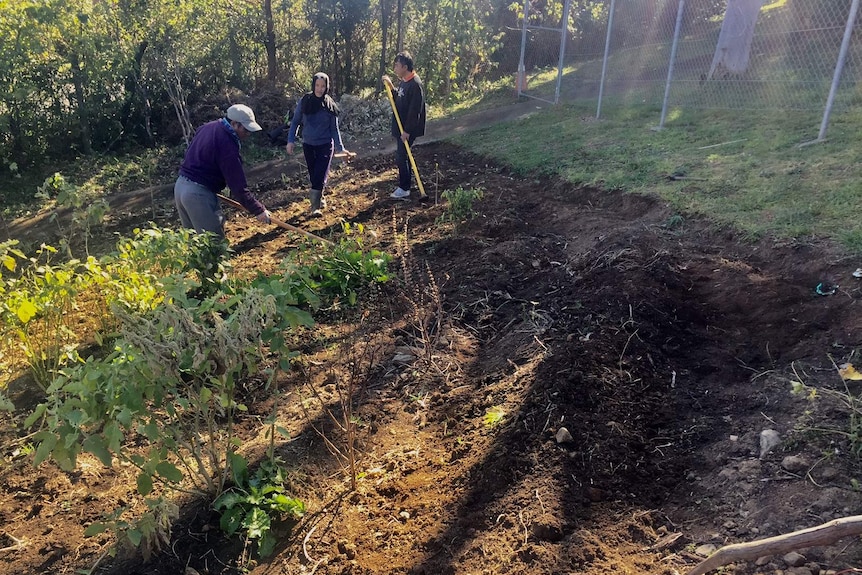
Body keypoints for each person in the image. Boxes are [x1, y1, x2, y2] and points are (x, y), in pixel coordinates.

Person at [174, 103, 272, 237]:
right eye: (246, 130)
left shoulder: (208, 127)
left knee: (195, 243)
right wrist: (258, 210)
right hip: (197, 195)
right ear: (234, 124)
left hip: (180, 187)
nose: (248, 134)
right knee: (214, 244)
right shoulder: (226, 144)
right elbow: (237, 186)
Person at [286, 72, 349, 216]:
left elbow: (334, 129)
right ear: (313, 85)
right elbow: (295, 122)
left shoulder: (329, 105)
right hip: (308, 145)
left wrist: (341, 148)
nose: (320, 89)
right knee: (315, 175)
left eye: (323, 86)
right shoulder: (305, 101)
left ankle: (315, 208)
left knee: (319, 175)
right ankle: (320, 197)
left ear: (327, 87)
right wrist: (291, 140)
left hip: (325, 145)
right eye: (317, 85)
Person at [382, 51, 426, 199]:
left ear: (405, 67)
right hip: (401, 126)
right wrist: (391, 86)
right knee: (402, 155)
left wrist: (407, 131)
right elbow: (399, 98)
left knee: (402, 156)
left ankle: (404, 187)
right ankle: (405, 185)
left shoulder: (415, 84)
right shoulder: (404, 81)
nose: (395, 68)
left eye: (397, 65)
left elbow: (415, 110)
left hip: (408, 128)